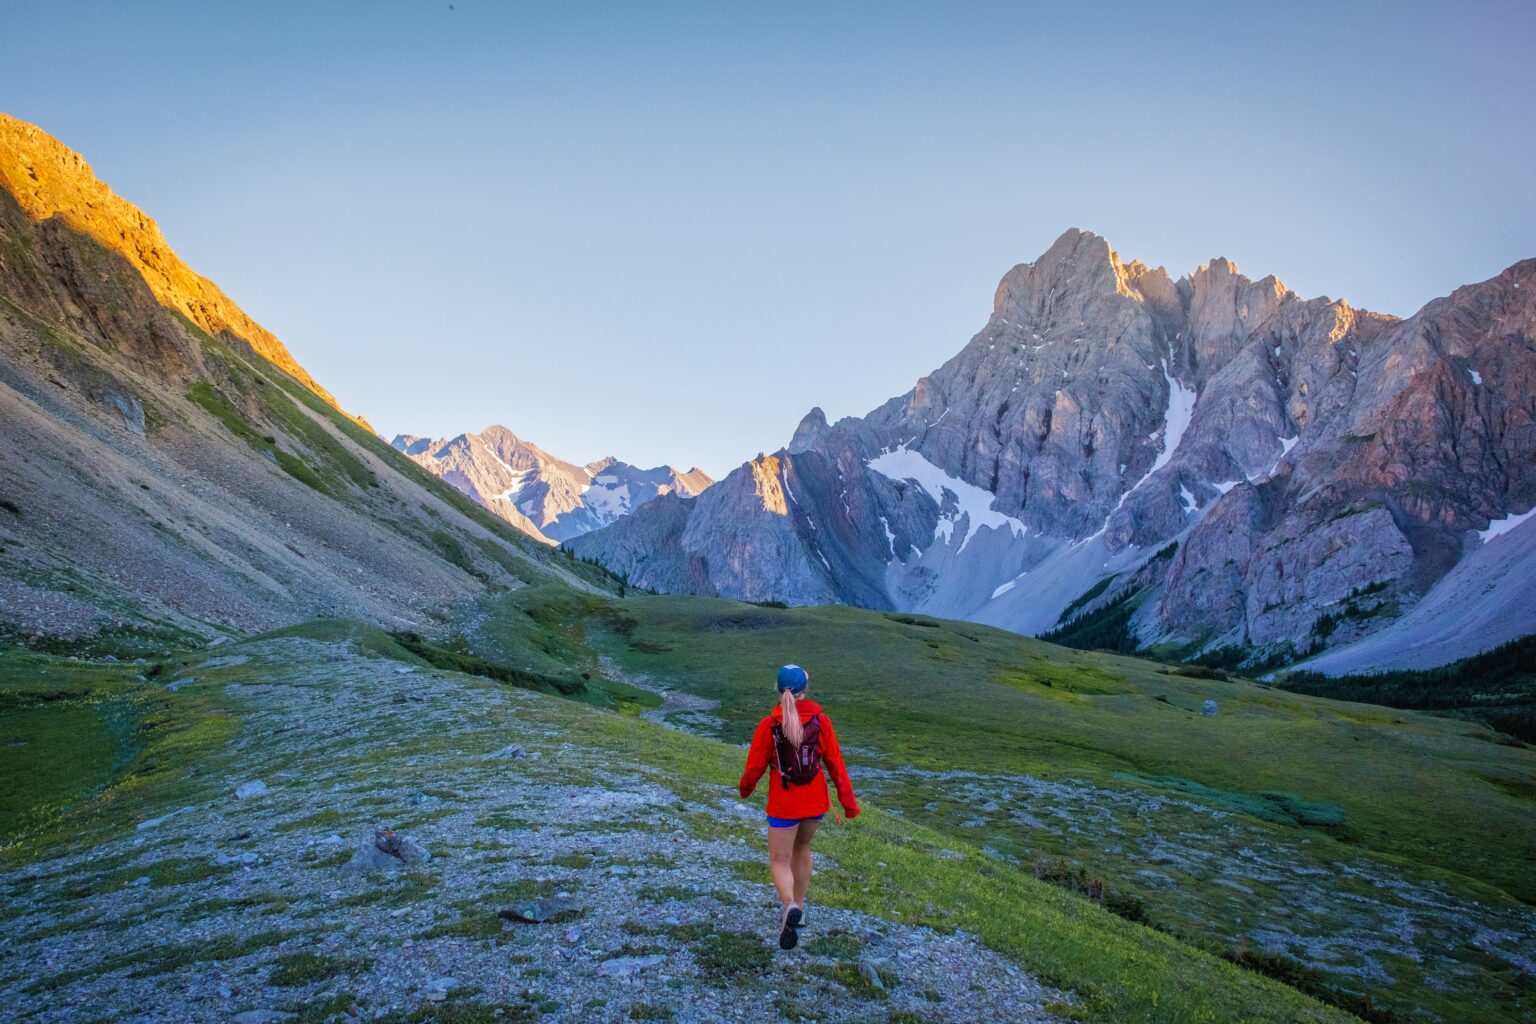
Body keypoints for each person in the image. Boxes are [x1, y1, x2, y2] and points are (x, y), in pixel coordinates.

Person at [738, 663, 859, 950]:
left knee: (780, 859)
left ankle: (789, 904)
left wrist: (746, 790)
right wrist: (848, 804)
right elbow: (836, 764)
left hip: (784, 803)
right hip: (814, 802)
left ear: (778, 690)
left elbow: (754, 767)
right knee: (802, 849)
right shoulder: (821, 721)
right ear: (805, 690)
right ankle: (799, 909)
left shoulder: (769, 725)